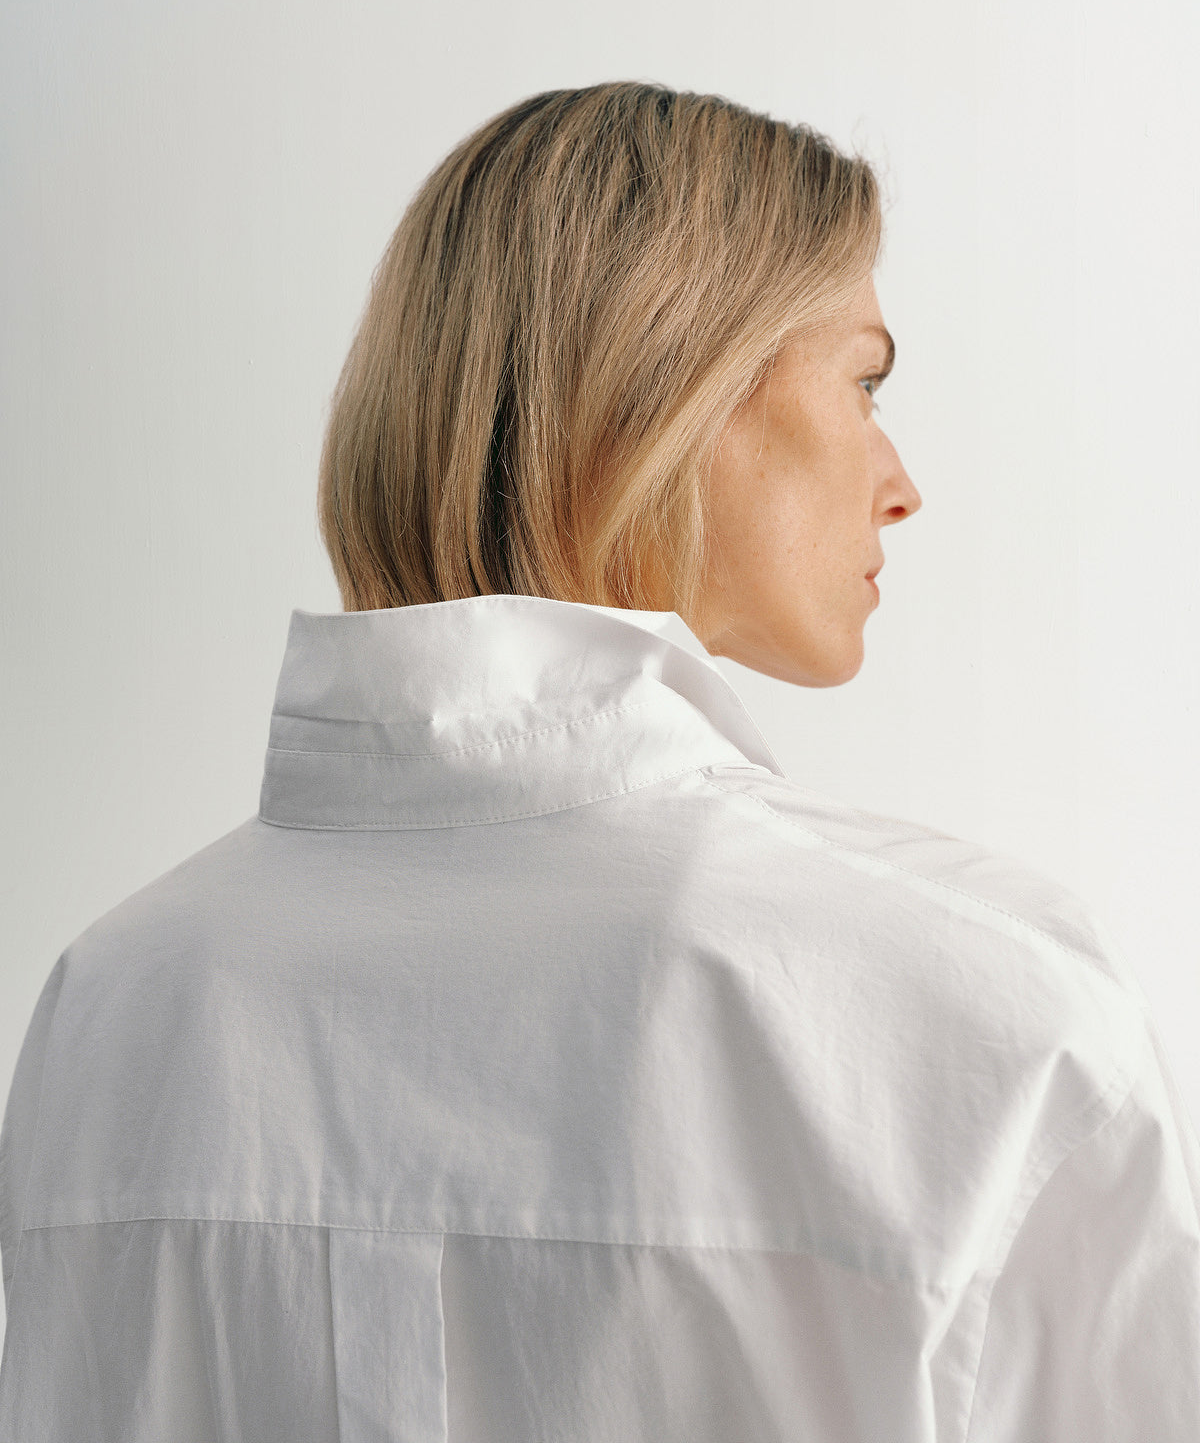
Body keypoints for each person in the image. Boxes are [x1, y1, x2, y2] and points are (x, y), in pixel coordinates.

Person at [1, 82, 1197, 1441]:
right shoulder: (987, 1019)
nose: (899, 476)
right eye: (863, 381)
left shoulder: (109, 1010)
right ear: (675, 389)